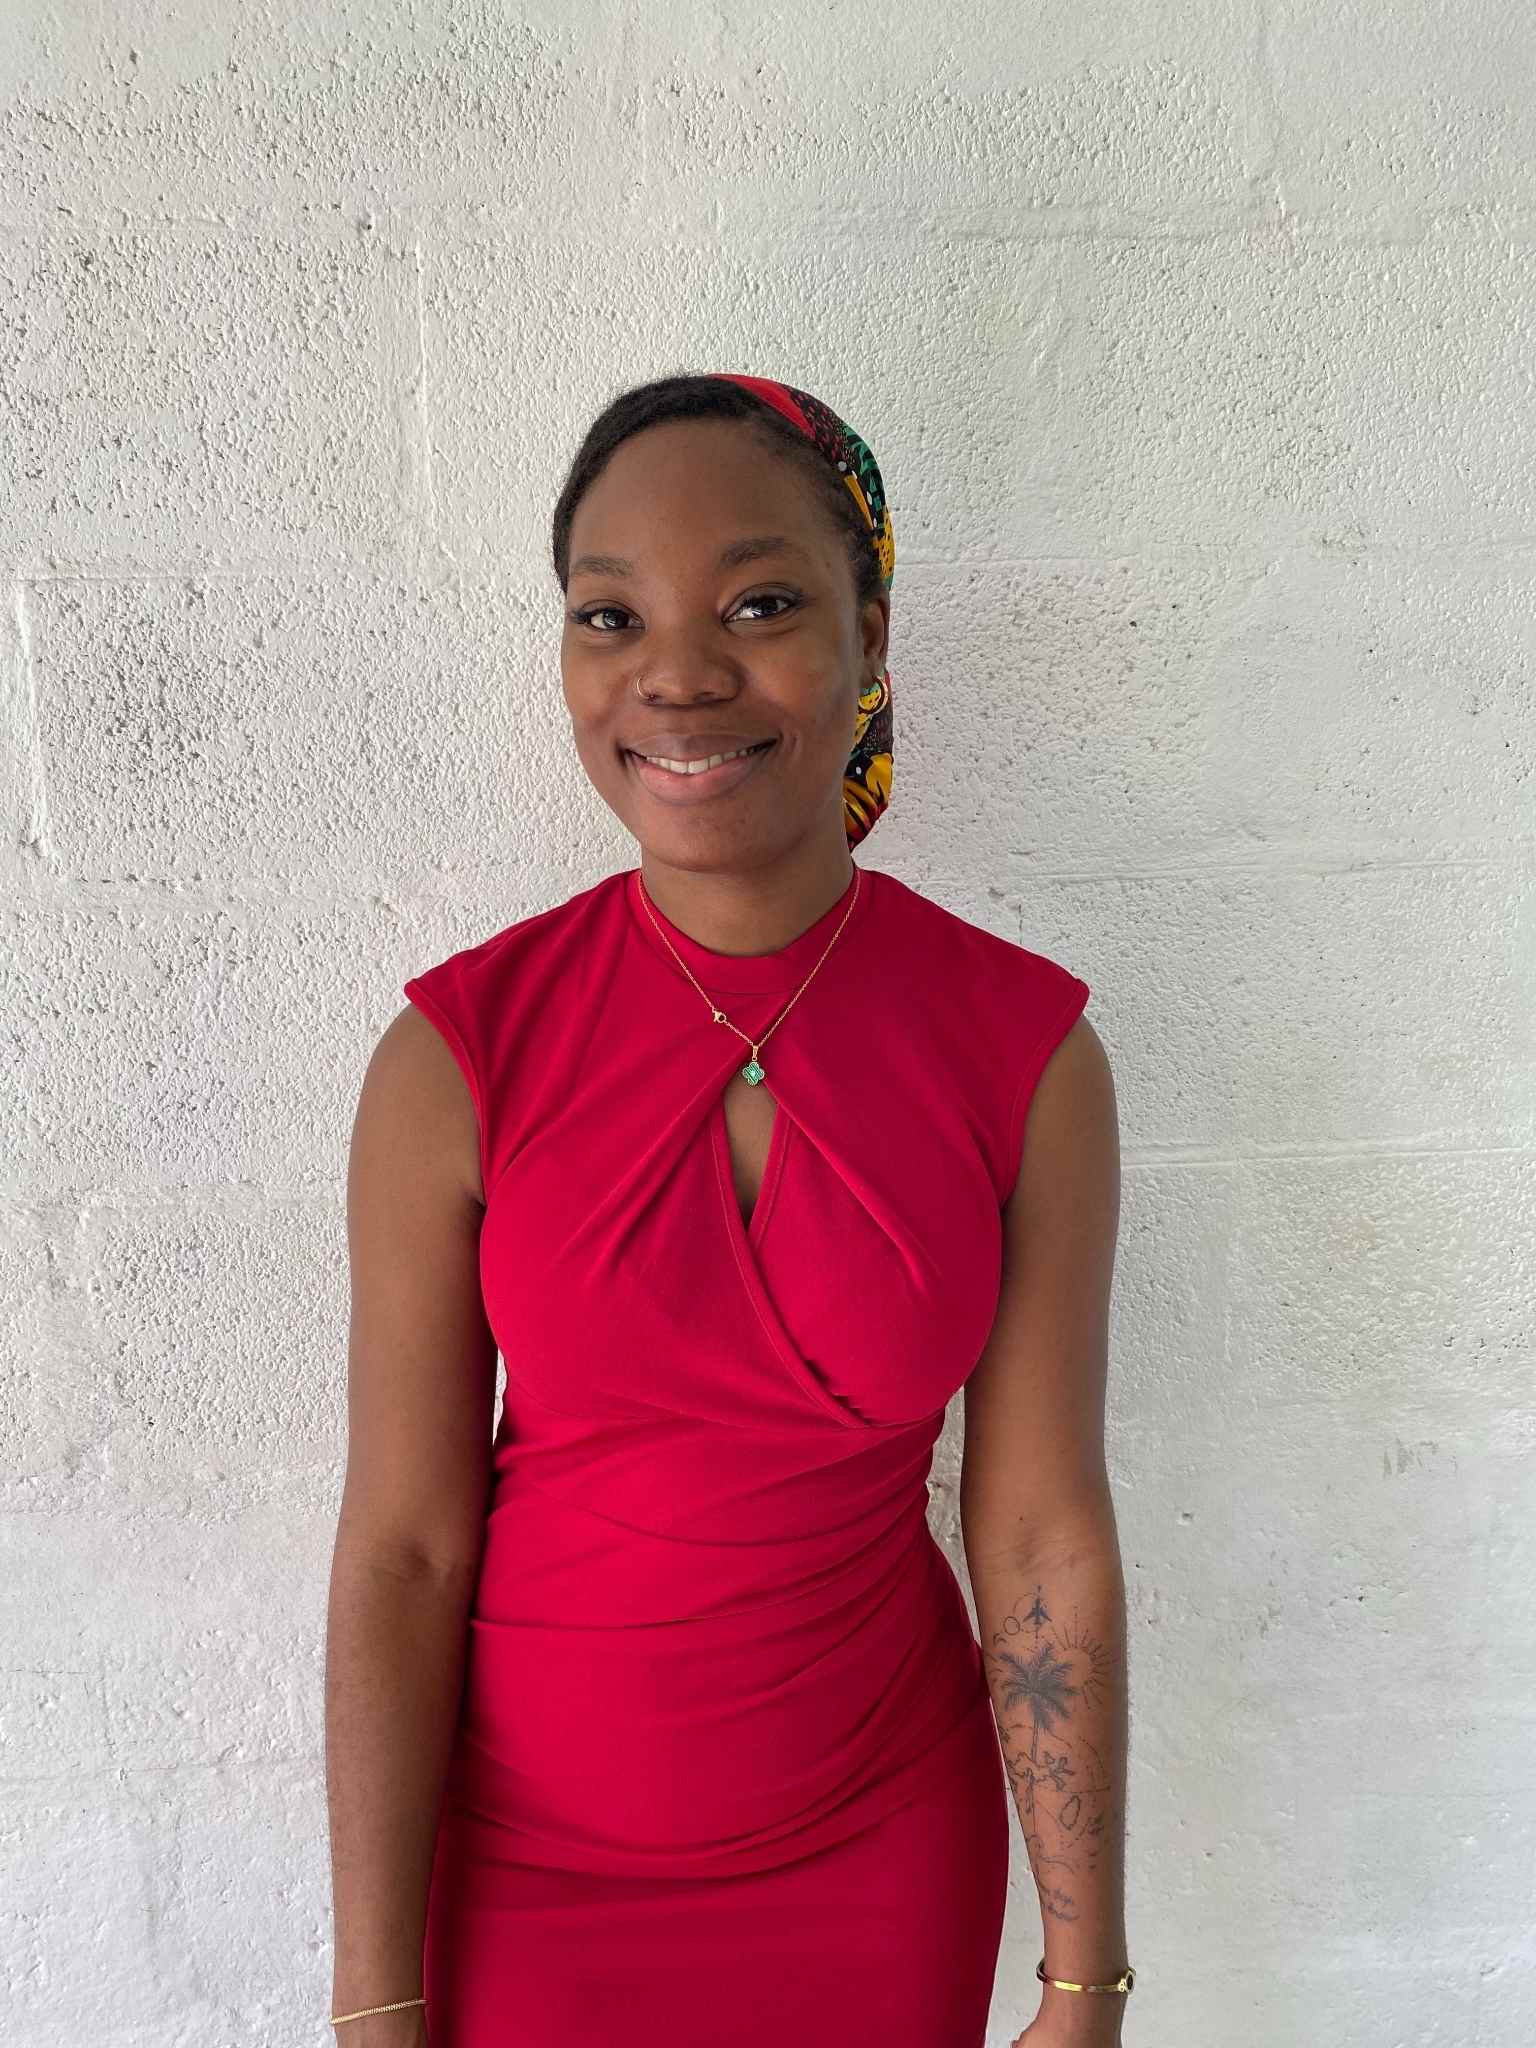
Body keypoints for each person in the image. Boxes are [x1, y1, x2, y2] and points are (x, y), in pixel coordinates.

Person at [324, 373, 1130, 2048]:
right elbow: (404, 1549)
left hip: (878, 1852)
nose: (678, 674)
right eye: (610, 615)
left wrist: (1083, 1979)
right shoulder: (459, 1055)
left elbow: (1040, 1534)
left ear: (870, 637)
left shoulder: (1025, 1052)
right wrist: (374, 1999)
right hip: (522, 1866)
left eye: (760, 605)